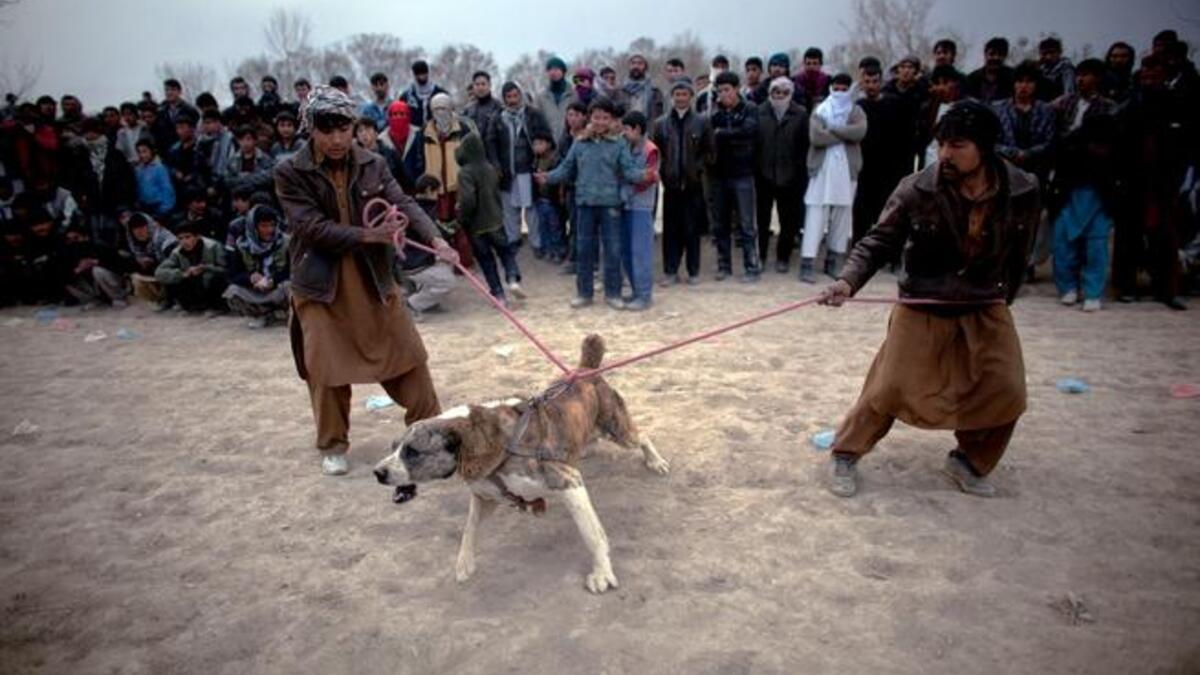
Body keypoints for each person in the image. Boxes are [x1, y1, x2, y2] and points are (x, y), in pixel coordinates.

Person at [819, 100, 1039, 499]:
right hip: (923, 299)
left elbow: (1021, 248)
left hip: (985, 300)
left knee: (1006, 388)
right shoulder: (918, 187)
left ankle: (970, 461)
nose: (946, 154)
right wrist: (847, 282)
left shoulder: (1022, 189)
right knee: (890, 386)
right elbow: (878, 241)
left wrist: (1005, 295)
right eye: (941, 144)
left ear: (985, 147)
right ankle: (845, 453)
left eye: (957, 145)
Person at [273, 85, 458, 476]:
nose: (339, 139)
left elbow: (403, 202)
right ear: (312, 129)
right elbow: (309, 227)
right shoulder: (290, 172)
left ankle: (430, 435)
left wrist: (437, 239)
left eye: (345, 129)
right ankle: (333, 444)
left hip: (373, 278)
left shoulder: (373, 162)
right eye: (328, 130)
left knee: (408, 355)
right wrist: (367, 235)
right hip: (321, 285)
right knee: (325, 368)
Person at [538, 97, 652, 310]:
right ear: (590, 118)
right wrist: (549, 177)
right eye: (596, 117)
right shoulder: (580, 142)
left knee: (613, 250)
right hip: (585, 203)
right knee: (584, 249)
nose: (600, 122)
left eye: (605, 118)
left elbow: (628, 170)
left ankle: (613, 293)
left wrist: (643, 175)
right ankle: (584, 293)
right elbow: (566, 168)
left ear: (611, 120)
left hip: (610, 204)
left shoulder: (619, 143)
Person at [1114, 55, 1189, 310]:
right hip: (1132, 180)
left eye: (1154, 70)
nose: (1148, 75)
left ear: (1164, 73)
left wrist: (1177, 178)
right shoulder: (1131, 104)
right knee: (1128, 237)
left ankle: (1168, 290)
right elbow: (1119, 142)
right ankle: (1126, 287)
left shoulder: (1177, 104)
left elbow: (1185, 146)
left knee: (1166, 238)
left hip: (1165, 182)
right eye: (1145, 71)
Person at [801, 73, 867, 282]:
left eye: (843, 88)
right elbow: (816, 137)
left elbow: (859, 132)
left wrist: (833, 128)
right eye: (836, 87)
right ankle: (807, 263)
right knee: (815, 215)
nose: (839, 92)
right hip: (821, 170)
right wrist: (844, 134)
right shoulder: (820, 110)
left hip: (847, 173)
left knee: (842, 216)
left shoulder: (856, 111)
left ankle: (833, 261)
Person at [1052, 114, 1118, 312]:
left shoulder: (1114, 150)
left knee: (1096, 249)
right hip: (1069, 198)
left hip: (1100, 200)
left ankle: (1093, 293)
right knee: (1064, 248)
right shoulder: (1069, 145)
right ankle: (1068, 287)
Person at [704, 71, 761, 282]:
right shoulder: (715, 114)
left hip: (743, 173)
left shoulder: (750, 109)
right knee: (720, 224)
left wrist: (724, 134)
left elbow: (749, 132)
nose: (723, 95)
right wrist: (724, 134)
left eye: (727, 90)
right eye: (719, 91)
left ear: (736, 89)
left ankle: (752, 267)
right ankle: (724, 266)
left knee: (746, 225)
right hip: (718, 174)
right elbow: (710, 138)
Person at [652, 77, 706, 286]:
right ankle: (670, 271)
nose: (681, 98)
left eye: (684, 94)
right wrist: (665, 172)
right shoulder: (661, 124)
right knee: (671, 230)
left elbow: (709, 152)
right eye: (677, 94)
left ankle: (693, 271)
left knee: (692, 229)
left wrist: (698, 170)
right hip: (672, 184)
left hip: (693, 184)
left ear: (691, 96)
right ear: (671, 97)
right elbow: (657, 153)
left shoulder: (702, 122)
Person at [456, 132, 520, 307]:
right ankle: (513, 279)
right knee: (506, 253)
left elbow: (468, 199)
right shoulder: (490, 168)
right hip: (496, 221)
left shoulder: (465, 173)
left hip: (477, 226)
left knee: (486, 261)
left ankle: (499, 295)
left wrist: (463, 217)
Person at [853, 62, 912, 247]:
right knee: (861, 213)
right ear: (862, 82)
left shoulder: (894, 104)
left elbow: (903, 137)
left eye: (875, 81)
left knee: (887, 213)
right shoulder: (858, 107)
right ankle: (859, 250)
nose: (871, 85)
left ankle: (888, 253)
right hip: (865, 168)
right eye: (867, 81)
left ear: (881, 82)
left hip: (889, 168)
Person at [488, 82, 551, 254]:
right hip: (508, 170)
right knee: (510, 209)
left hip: (529, 169)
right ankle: (513, 239)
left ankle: (536, 243)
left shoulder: (532, 114)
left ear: (520, 96)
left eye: (516, 96)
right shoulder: (498, 117)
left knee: (531, 209)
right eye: (509, 97)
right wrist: (495, 165)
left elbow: (545, 135)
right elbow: (491, 142)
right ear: (504, 98)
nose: (513, 100)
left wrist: (541, 148)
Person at [754, 76, 809, 272]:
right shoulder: (759, 112)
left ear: (791, 94)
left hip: (791, 176)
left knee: (789, 221)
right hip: (763, 174)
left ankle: (783, 257)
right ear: (770, 93)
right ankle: (759, 256)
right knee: (761, 221)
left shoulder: (801, 114)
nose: (780, 96)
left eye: (784, 92)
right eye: (776, 92)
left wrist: (800, 174)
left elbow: (805, 147)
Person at [400, 175, 459, 319]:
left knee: (446, 266)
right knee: (448, 282)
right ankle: (412, 304)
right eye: (435, 192)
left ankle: (430, 303)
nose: (437, 196)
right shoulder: (422, 211)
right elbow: (437, 232)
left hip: (415, 258)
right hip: (415, 262)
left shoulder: (415, 206)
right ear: (428, 190)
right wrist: (452, 228)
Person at [618, 110, 660, 311]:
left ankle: (644, 294)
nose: (623, 132)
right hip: (625, 205)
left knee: (640, 252)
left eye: (626, 129)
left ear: (637, 129)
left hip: (641, 206)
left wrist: (629, 179)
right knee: (626, 250)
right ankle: (635, 290)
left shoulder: (650, 150)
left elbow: (647, 178)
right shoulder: (625, 146)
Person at [224, 205, 291, 327]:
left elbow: (292, 270)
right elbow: (233, 273)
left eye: (272, 225)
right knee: (233, 291)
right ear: (253, 227)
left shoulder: (286, 242)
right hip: (256, 289)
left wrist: (273, 280)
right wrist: (250, 278)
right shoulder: (242, 245)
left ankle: (289, 312)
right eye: (264, 226)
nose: (269, 230)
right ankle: (261, 314)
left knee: (290, 286)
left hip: (278, 288)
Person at [75, 116, 136, 247]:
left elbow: (126, 179)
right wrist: (81, 196)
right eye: (86, 132)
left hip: (113, 204)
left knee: (115, 238)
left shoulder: (115, 154)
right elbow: (76, 180)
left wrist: (122, 198)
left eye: (93, 132)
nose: (90, 135)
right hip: (92, 204)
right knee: (96, 240)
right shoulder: (80, 155)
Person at [153, 220, 228, 314]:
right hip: (193, 286)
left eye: (188, 237)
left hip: (210, 284)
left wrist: (205, 268)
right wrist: (182, 274)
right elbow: (159, 272)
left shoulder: (213, 246)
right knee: (173, 278)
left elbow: (225, 269)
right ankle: (188, 306)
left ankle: (217, 308)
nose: (184, 241)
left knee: (217, 279)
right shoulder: (177, 252)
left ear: (197, 236)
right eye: (180, 238)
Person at [59, 222, 130, 308]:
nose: (73, 242)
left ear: (86, 237)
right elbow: (61, 276)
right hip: (92, 288)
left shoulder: (99, 246)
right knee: (69, 280)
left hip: (113, 284)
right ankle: (93, 301)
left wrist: (96, 262)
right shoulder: (68, 252)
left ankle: (118, 298)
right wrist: (78, 269)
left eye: (76, 238)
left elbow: (120, 264)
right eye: (69, 239)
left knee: (98, 271)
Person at [122, 211, 177, 308]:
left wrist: (155, 263)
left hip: (171, 273)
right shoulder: (134, 243)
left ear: (149, 226)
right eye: (135, 229)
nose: (139, 232)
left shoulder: (165, 239)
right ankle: (158, 301)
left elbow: (174, 262)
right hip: (153, 274)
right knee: (136, 279)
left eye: (142, 227)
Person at [918, 65, 966, 168]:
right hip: (930, 159)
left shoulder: (965, 108)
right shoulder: (928, 107)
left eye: (945, 82)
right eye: (938, 83)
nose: (941, 87)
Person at [531, 130, 566, 263]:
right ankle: (549, 250)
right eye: (534, 144)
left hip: (553, 200)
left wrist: (561, 195)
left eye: (540, 144)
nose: (537, 147)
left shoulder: (555, 160)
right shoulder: (536, 160)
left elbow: (560, 179)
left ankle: (559, 251)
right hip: (540, 199)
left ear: (549, 144)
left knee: (555, 227)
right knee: (543, 226)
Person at [379, 100, 424, 194]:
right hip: (392, 189)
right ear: (389, 117)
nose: (398, 117)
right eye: (395, 114)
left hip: (416, 188)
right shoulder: (381, 140)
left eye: (402, 114)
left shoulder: (418, 135)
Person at [224, 125, 275, 194]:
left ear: (255, 140)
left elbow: (267, 178)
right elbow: (228, 180)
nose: (245, 143)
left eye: (248, 139)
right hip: (238, 193)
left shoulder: (264, 158)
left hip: (257, 192)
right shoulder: (232, 160)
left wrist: (245, 178)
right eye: (241, 139)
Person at [400, 60, 447, 131]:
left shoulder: (440, 94)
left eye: (423, 73)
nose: (421, 76)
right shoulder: (407, 96)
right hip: (414, 135)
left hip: (436, 133)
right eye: (418, 74)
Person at [133, 139, 176, 217]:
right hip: (144, 207)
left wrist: (165, 209)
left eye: (144, 151)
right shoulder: (138, 169)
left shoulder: (160, 168)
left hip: (159, 209)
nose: (142, 155)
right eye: (139, 152)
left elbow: (167, 190)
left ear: (152, 151)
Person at [537, 56, 577, 138]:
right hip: (549, 143)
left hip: (570, 141)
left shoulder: (574, 94)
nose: (553, 72)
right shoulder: (541, 97)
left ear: (563, 71)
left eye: (556, 69)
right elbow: (538, 122)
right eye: (550, 70)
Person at [463, 71, 502, 152]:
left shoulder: (499, 107)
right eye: (477, 84)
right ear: (473, 86)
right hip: (474, 158)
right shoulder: (468, 110)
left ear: (489, 85)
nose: (480, 87)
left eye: (483, 84)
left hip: (494, 159)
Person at [966, 37, 1015, 103]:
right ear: (985, 55)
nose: (996, 58)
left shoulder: (1013, 78)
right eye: (992, 54)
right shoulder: (971, 79)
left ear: (1005, 56)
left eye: (1000, 54)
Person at [617, 54, 665, 121]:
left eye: (640, 63)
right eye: (633, 63)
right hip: (626, 128)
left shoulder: (655, 90)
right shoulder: (620, 90)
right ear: (629, 66)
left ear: (645, 66)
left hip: (649, 128)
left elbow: (660, 116)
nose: (636, 66)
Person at [197, 109, 235, 185]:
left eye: (209, 123)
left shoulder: (229, 138)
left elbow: (231, 161)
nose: (206, 126)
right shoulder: (200, 140)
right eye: (205, 123)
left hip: (224, 178)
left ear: (218, 123)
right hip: (205, 178)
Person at [1038, 36, 1077, 101]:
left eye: (1052, 52)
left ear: (1059, 52)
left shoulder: (1066, 69)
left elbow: (1069, 94)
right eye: (1044, 53)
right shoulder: (1041, 70)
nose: (1048, 57)